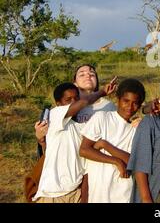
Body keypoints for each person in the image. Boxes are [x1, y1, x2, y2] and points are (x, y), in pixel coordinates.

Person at [34, 64, 117, 202]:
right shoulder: (56, 114)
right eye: (82, 73)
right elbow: (50, 149)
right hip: (52, 192)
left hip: (81, 187)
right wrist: (41, 140)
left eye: (92, 73)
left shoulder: (107, 107)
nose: (88, 75)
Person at [79, 78, 145, 203]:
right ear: (117, 99)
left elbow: (133, 161)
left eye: (135, 103)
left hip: (123, 193)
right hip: (98, 193)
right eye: (126, 101)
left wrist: (105, 145)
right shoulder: (102, 118)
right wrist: (116, 161)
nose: (130, 107)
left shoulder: (137, 129)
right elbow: (84, 150)